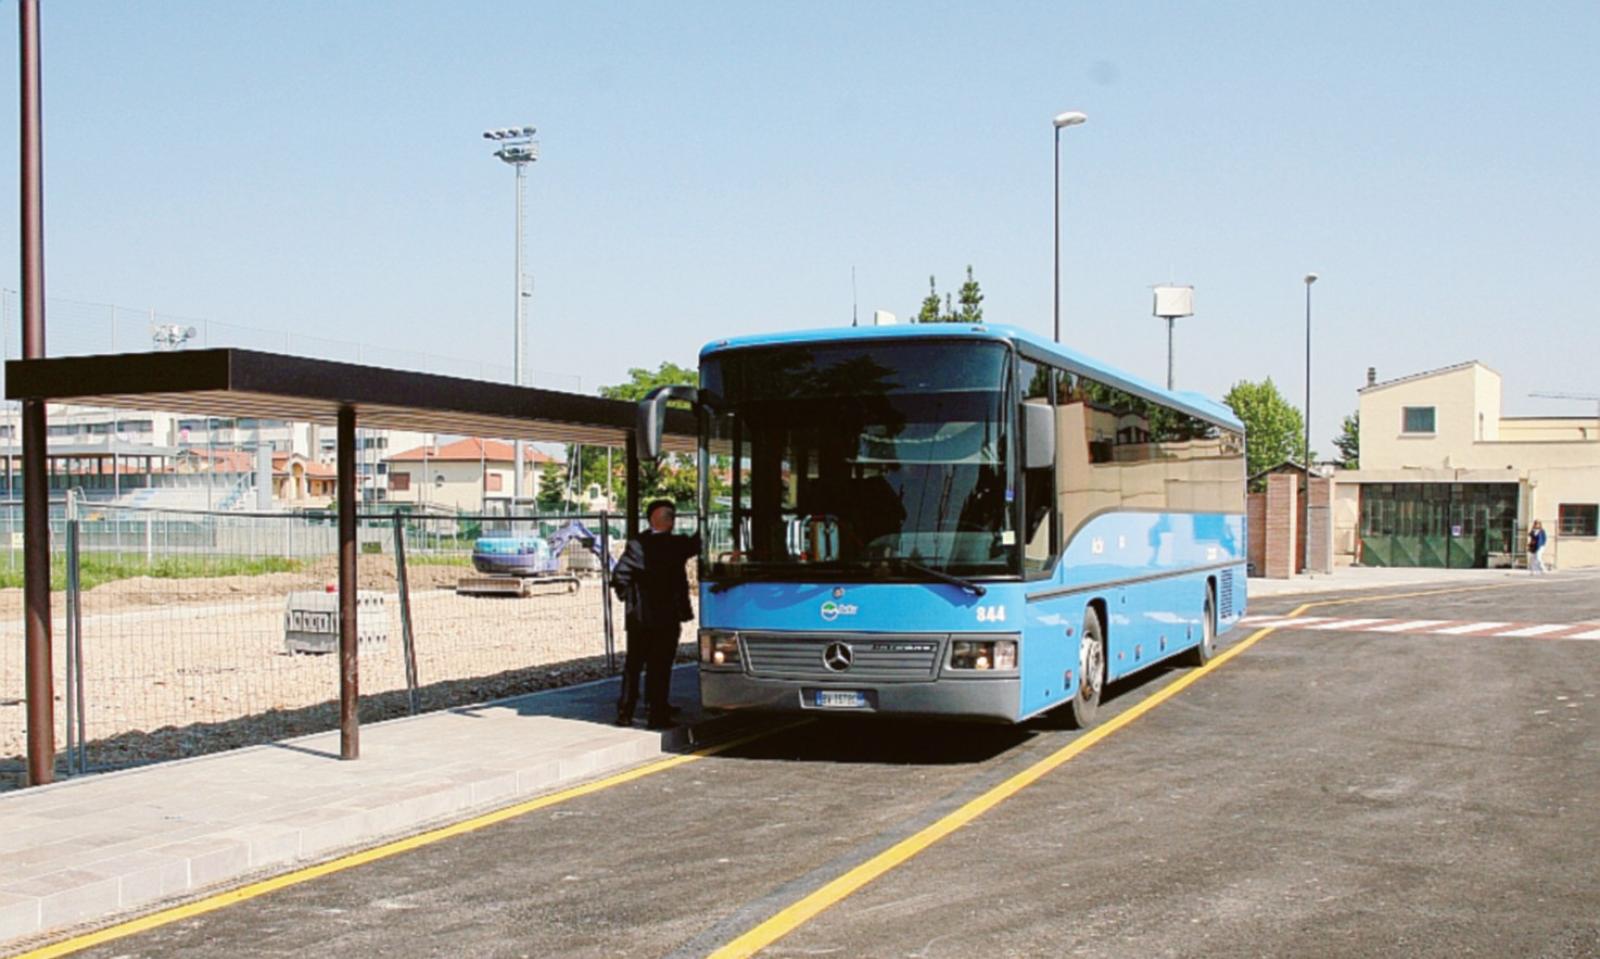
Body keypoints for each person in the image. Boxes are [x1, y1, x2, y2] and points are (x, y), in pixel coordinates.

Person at [610, 499, 700, 728]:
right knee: (660, 666)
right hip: (667, 615)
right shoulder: (676, 545)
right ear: (669, 521)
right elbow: (697, 543)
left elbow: (619, 576)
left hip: (640, 618)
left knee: (634, 664)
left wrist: (631, 600)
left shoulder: (637, 545)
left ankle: (625, 710)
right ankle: (657, 711)